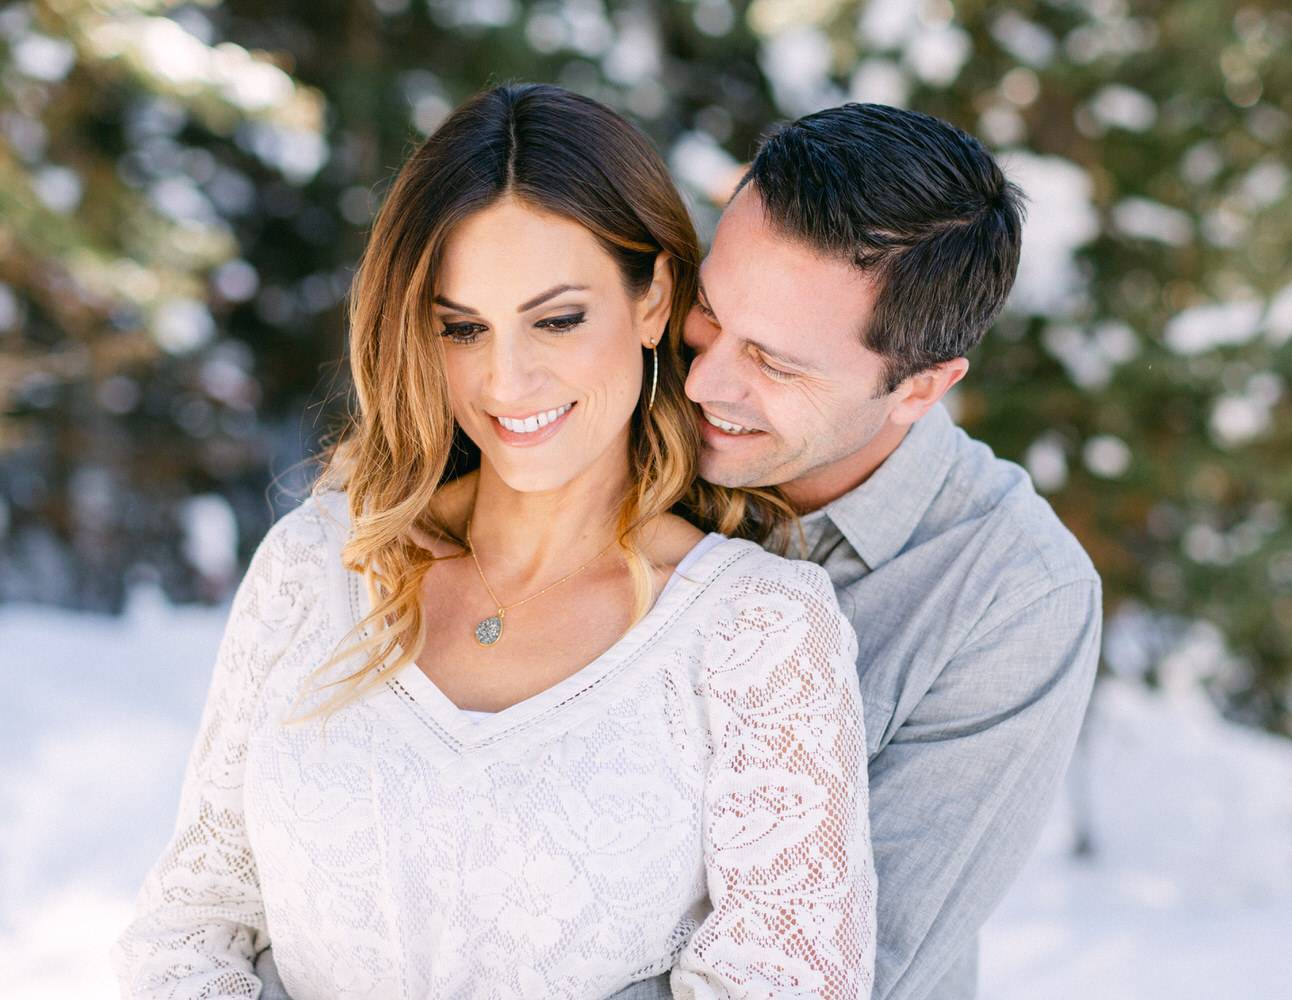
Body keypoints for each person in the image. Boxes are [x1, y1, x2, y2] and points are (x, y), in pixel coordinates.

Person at [113, 83, 876, 1000]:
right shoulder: (316, 565)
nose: (507, 380)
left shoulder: (759, 633)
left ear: (654, 299)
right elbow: (187, 928)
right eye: (461, 327)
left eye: (557, 319)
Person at [608, 104, 1102, 1000]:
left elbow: (858, 969)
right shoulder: (616, 425)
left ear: (919, 387)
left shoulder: (1014, 597)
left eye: (778, 363)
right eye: (709, 313)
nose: (704, 379)